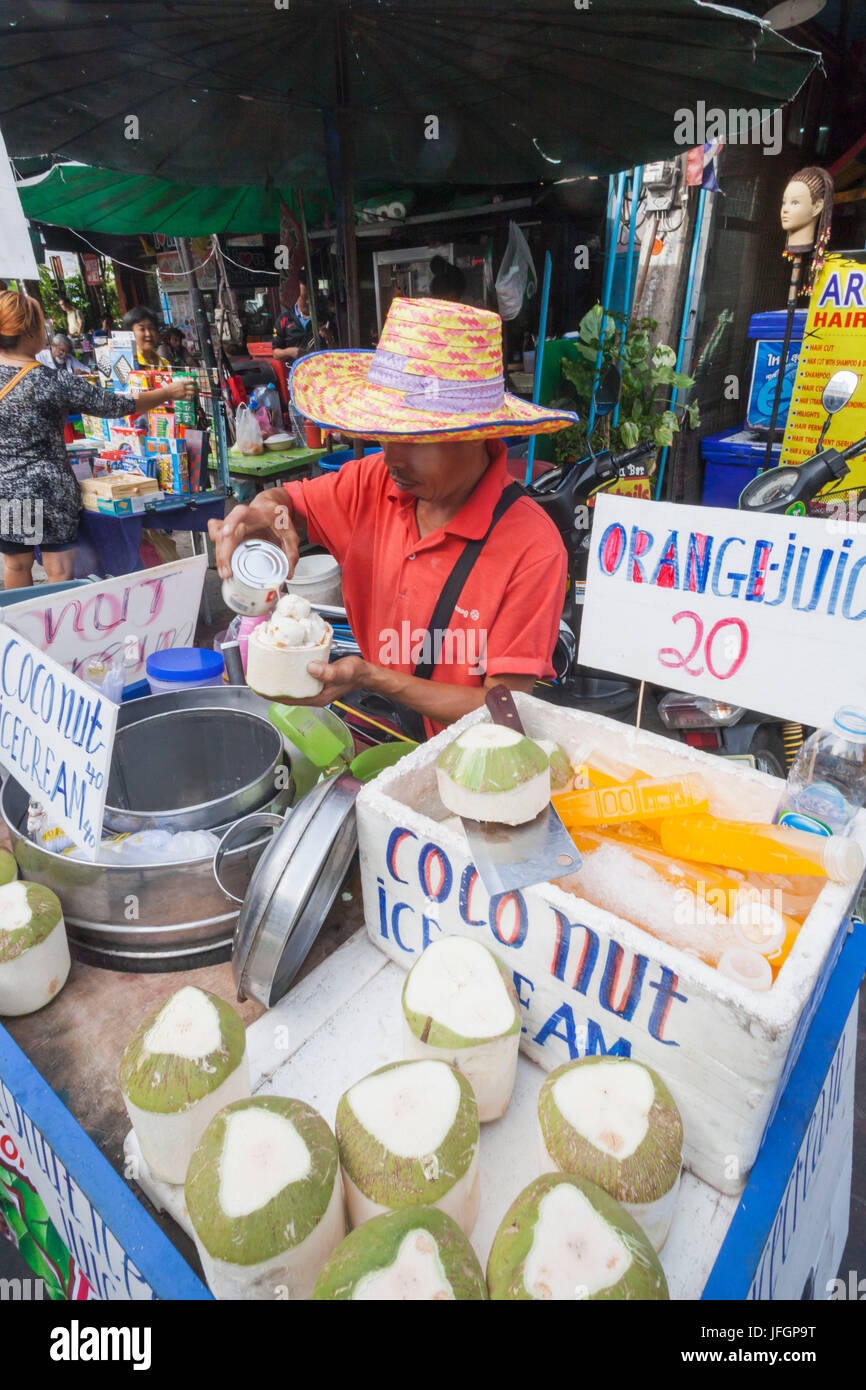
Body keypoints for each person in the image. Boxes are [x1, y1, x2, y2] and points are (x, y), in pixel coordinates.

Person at [210, 296, 576, 737]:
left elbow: (504, 709)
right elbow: (286, 502)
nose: (392, 456)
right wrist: (264, 514)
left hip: (469, 764)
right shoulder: (371, 481)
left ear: (477, 434)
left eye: (414, 437)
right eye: (384, 433)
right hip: (378, 735)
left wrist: (371, 677)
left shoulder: (533, 547)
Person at [0, 291, 194, 588]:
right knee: (58, 570)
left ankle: (19, 631)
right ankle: (54, 632)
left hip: (9, 486)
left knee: (16, 564)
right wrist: (168, 393)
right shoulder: (51, 381)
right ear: (29, 330)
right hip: (49, 487)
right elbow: (116, 406)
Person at [272, 273, 330, 363]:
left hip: (320, 369)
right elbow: (275, 353)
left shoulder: (324, 318)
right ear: (296, 295)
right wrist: (289, 352)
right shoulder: (284, 319)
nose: (308, 301)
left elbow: (337, 350)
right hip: (295, 371)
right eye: (305, 297)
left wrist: (329, 338)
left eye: (312, 297)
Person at [122, 305, 171, 369]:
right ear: (130, 332)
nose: (148, 334)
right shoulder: (127, 365)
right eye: (142, 329)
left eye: (151, 328)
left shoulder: (165, 364)